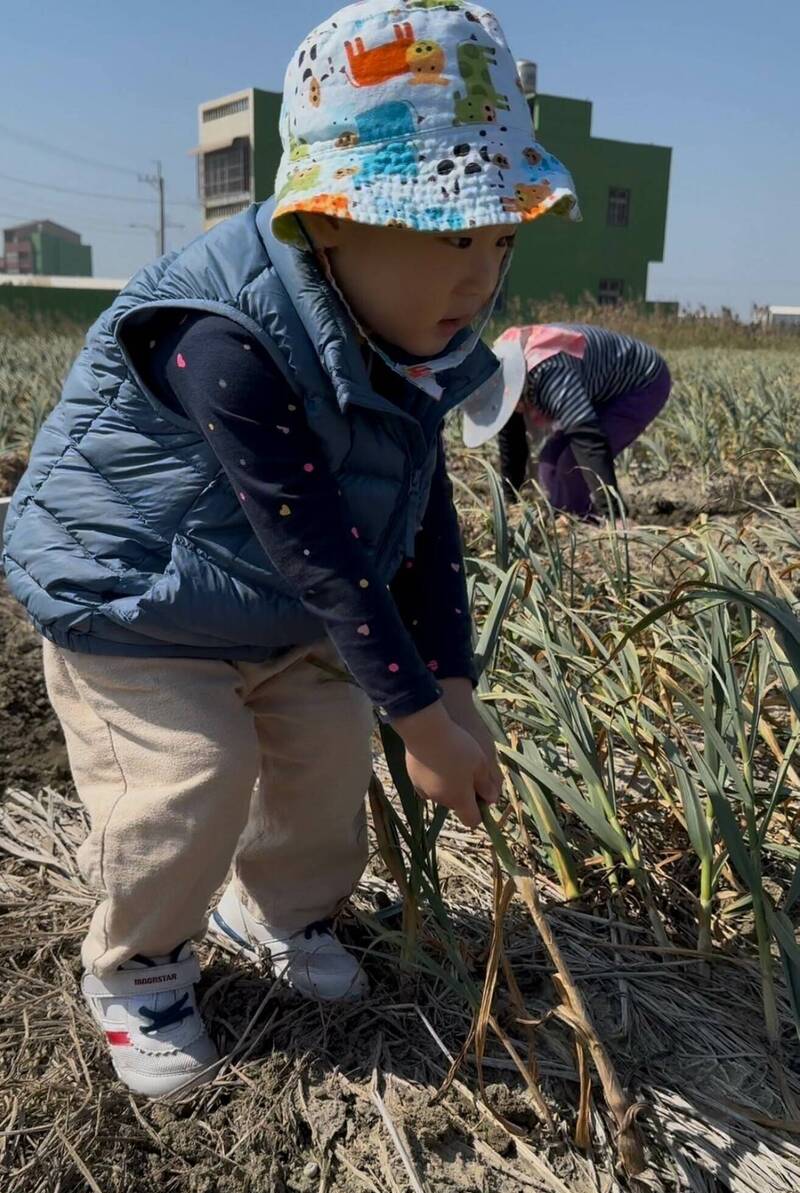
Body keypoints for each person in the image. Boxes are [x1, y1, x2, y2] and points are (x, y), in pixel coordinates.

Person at [1, 1, 579, 1096]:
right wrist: (426, 720)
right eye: (453, 236)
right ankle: (137, 965)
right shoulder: (220, 337)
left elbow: (419, 520)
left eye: (500, 241)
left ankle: (273, 908)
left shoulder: (412, 343)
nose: (480, 279)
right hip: (135, 603)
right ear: (325, 221)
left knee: (325, 744)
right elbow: (315, 540)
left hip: (268, 606)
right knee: (189, 777)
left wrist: (445, 686)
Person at [462, 323, 671, 517]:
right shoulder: (503, 378)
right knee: (549, 464)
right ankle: (574, 514)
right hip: (597, 386)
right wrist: (509, 501)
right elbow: (512, 443)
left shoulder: (546, 374)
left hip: (641, 382)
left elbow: (588, 439)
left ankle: (594, 520)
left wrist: (612, 513)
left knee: (570, 466)